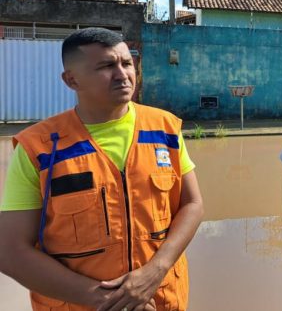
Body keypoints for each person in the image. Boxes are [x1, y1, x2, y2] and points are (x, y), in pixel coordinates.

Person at [0, 27, 204, 311]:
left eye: (127, 63)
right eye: (107, 66)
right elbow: (10, 251)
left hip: (162, 300)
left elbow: (192, 204)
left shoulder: (165, 128)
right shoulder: (39, 148)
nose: (122, 74)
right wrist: (109, 300)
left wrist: (155, 272)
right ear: (71, 80)